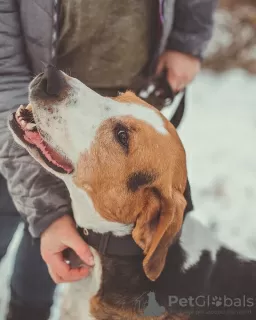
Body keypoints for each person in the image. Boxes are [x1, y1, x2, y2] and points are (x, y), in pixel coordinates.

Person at [0, 0, 217, 319]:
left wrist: (187, 37)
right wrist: (48, 214)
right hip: (30, 94)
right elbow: (5, 80)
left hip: (106, 99)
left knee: (46, 264)